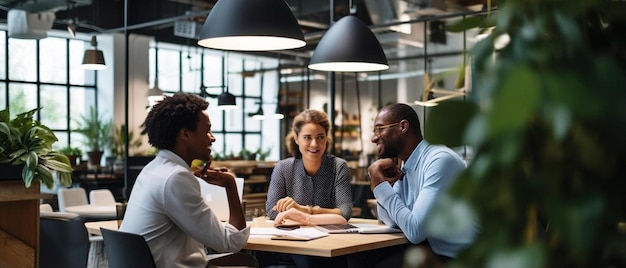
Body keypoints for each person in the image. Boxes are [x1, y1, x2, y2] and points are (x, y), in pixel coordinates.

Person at [120, 92, 257, 268]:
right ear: (185, 134)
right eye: (207, 130)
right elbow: (230, 242)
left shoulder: (153, 169)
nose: (213, 137)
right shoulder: (176, 178)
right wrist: (230, 185)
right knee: (247, 262)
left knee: (246, 261)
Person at [348, 103, 478, 267]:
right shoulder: (406, 165)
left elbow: (415, 231)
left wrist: (380, 186)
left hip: (460, 256)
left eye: (380, 129)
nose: (374, 138)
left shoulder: (438, 160)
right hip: (433, 248)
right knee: (358, 257)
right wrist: (385, 186)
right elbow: (390, 221)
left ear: (403, 126)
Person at [260, 109, 352, 268]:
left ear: (326, 138)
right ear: (296, 138)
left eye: (320, 137)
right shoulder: (283, 168)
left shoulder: (338, 167)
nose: (315, 144)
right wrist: (323, 214)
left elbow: (345, 212)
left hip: (330, 244)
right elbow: (272, 210)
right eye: (307, 138)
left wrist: (302, 210)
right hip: (293, 244)